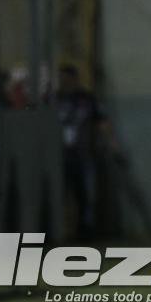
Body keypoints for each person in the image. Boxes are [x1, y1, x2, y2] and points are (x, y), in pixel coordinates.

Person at [55, 64, 110, 241]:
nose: (64, 83)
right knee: (61, 195)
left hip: (83, 154)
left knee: (86, 195)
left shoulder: (86, 98)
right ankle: (60, 232)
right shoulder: (55, 98)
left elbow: (101, 122)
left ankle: (85, 232)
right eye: (61, 79)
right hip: (60, 156)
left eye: (66, 78)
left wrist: (108, 145)